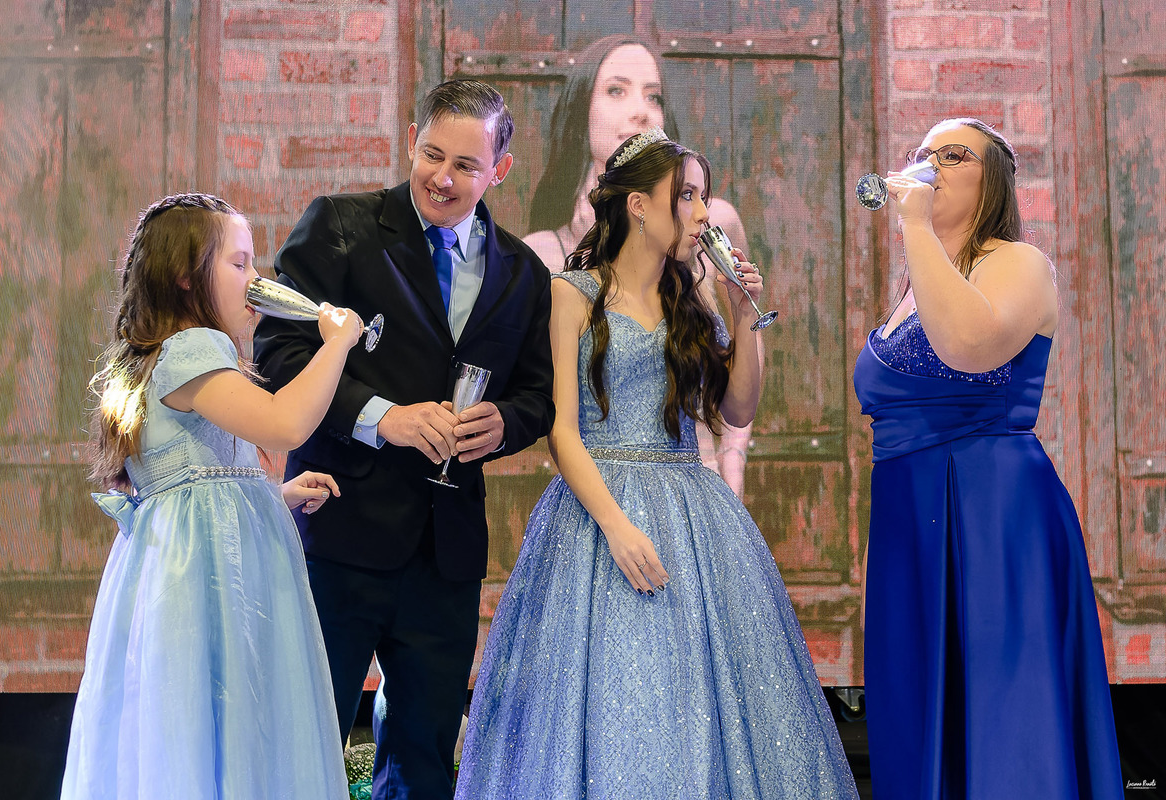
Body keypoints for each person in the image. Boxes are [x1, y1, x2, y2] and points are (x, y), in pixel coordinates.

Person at [456, 130, 858, 798]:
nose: (703, 213)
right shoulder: (572, 293)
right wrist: (616, 525)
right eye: (688, 196)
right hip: (595, 513)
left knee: (693, 692)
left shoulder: (691, 300)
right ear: (638, 205)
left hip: (689, 510)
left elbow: (737, 409)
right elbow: (562, 432)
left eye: (702, 196)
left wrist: (743, 313)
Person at [252, 79, 554, 799]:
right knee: (304, 741)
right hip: (336, 533)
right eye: (432, 155)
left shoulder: (523, 272)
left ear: (500, 170)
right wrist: (382, 417)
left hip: (445, 553)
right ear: (412, 139)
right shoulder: (340, 226)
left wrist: (505, 424)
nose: (442, 178)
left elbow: (538, 395)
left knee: (424, 758)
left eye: (466, 166)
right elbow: (279, 352)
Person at [853, 118, 1123, 798]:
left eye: (952, 155)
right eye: (922, 154)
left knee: (1006, 716)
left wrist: (915, 226)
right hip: (908, 522)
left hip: (993, 515)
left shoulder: (1020, 263)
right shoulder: (916, 286)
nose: (930, 165)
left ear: (992, 180)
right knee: (915, 713)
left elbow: (967, 347)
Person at [61, 193, 361, 799]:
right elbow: (284, 425)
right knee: (233, 718)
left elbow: (198, 477)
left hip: (181, 567)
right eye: (239, 263)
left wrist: (273, 496)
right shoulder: (194, 348)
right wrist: (336, 344)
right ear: (185, 274)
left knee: (196, 733)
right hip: (207, 581)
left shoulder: (160, 356)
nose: (255, 280)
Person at [523, 35, 760, 497]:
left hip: (697, 487)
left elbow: (737, 384)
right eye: (617, 90)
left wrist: (732, 458)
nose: (641, 111)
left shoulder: (712, 226)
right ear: (581, 110)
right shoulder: (546, 255)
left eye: (654, 97)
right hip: (597, 492)